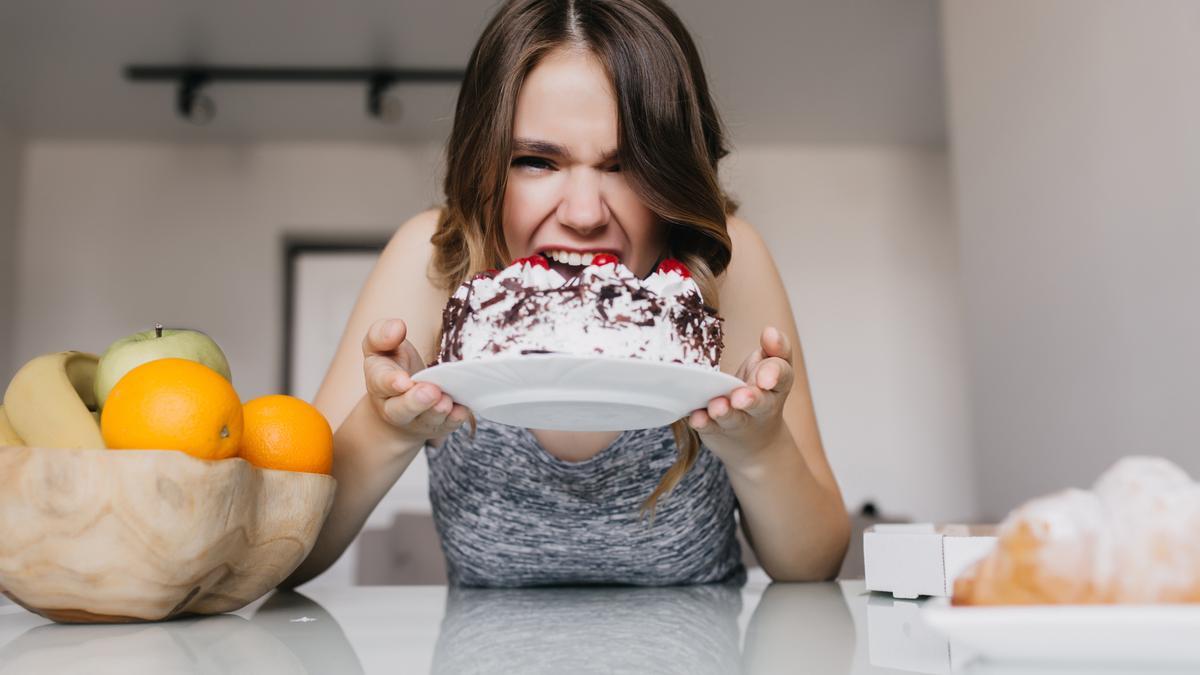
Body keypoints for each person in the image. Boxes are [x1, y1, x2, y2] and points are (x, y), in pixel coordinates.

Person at [282, 0, 849, 588]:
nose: (583, 214)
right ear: (486, 168)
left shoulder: (725, 262)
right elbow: (290, 555)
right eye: (536, 162)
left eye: (624, 165)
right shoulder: (434, 259)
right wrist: (386, 428)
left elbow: (813, 565)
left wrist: (759, 448)